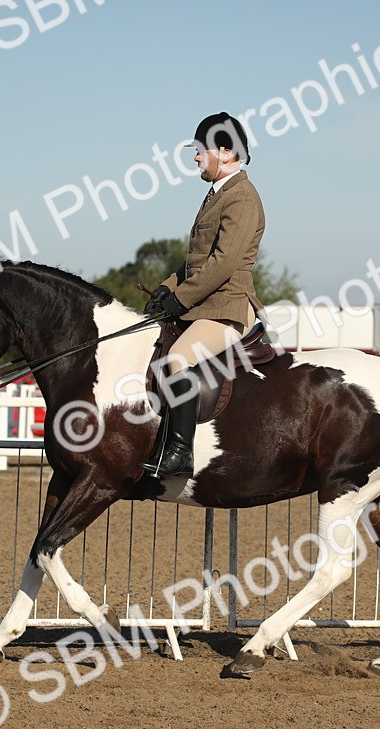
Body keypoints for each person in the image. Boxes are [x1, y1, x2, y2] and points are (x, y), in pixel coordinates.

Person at [138, 112, 266, 478]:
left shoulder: (241, 198)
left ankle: (180, 454)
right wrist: (166, 288)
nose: (195, 157)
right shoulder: (218, 194)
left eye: (200, 150)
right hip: (205, 304)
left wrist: (182, 299)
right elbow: (196, 260)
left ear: (226, 152)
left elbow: (223, 264)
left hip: (228, 307)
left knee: (177, 359)